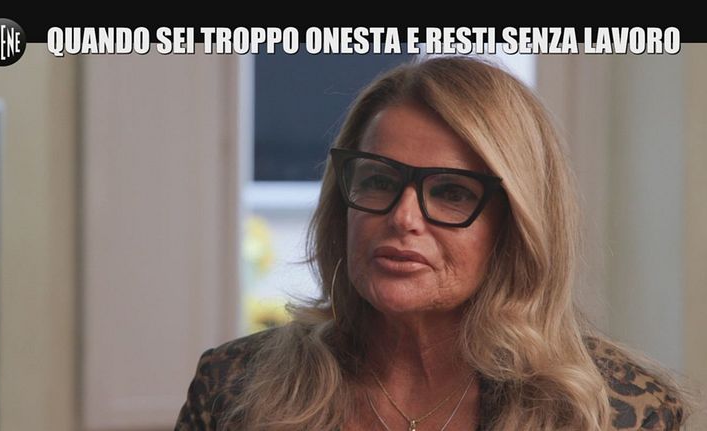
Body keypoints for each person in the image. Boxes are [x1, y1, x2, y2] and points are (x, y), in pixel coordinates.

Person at [175, 56, 691, 430]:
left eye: (451, 192)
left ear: (516, 227)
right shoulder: (233, 388)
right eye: (378, 180)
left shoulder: (616, 409)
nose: (403, 218)